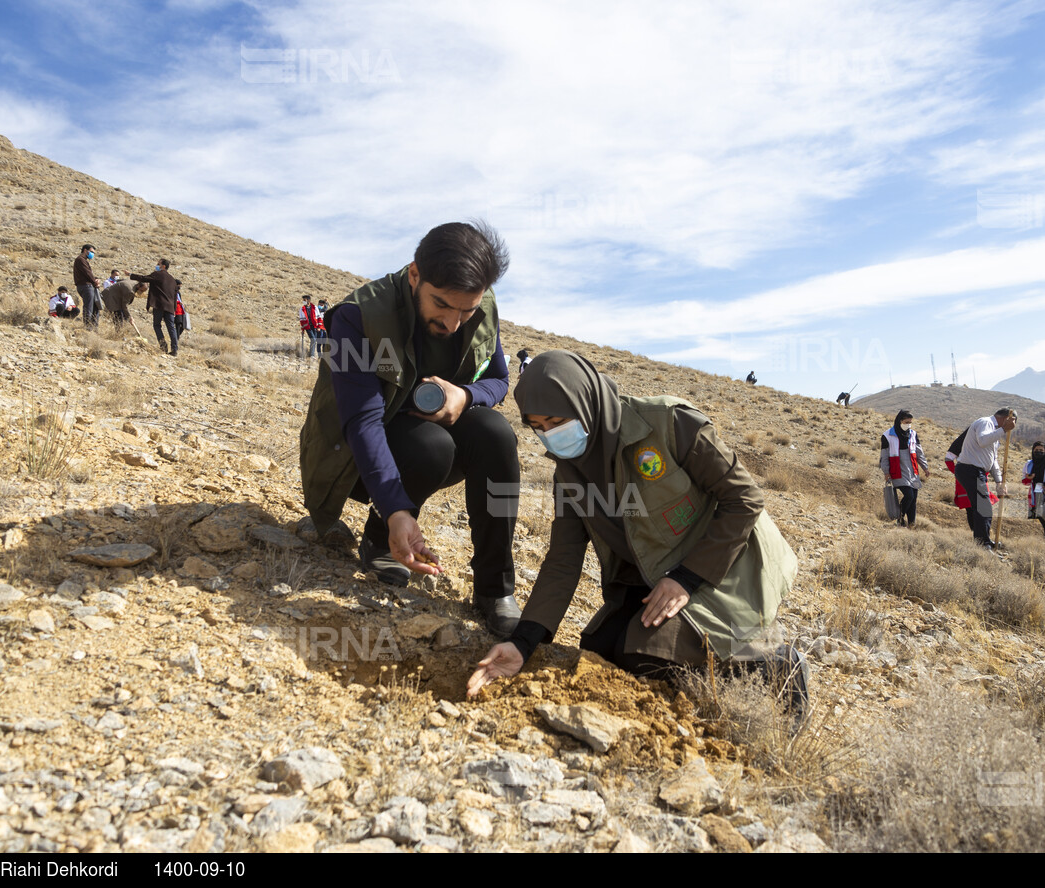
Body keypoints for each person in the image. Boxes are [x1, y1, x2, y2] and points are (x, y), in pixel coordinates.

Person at [467, 350, 804, 708]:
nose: (550, 435)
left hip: (724, 564)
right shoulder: (569, 474)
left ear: (586, 401)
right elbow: (564, 559)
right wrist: (523, 641)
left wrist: (687, 578)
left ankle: (775, 666)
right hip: (651, 574)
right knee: (602, 649)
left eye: (556, 420)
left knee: (645, 658)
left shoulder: (668, 423)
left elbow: (744, 499)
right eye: (538, 427)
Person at [299, 221, 521, 635]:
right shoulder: (357, 316)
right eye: (442, 306)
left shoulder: (480, 307)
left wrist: (465, 397)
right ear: (415, 274)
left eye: (466, 311)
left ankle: (495, 588)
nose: (454, 323)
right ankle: (381, 540)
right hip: (357, 455)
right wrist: (397, 511)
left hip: (436, 436)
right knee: (432, 446)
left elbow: (500, 380)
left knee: (496, 434)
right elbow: (361, 421)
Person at [953, 407, 1017, 549]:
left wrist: (999, 481)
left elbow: (992, 460)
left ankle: (983, 540)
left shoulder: (995, 434)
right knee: (984, 507)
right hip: (969, 469)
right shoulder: (985, 423)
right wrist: (1003, 430)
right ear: (1006, 418)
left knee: (983, 507)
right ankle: (983, 544)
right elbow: (982, 440)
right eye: (1011, 423)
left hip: (977, 471)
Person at [879, 409, 928, 527]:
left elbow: (919, 452)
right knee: (909, 495)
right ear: (900, 421)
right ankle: (899, 517)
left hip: (912, 470)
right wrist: (886, 472)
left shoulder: (913, 434)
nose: (908, 425)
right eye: (906, 422)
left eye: (910, 422)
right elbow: (884, 456)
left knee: (913, 499)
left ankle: (912, 524)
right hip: (897, 470)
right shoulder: (887, 435)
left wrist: (925, 467)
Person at [944, 426, 996, 534]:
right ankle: (977, 535)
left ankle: (984, 535)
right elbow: (948, 459)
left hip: (980, 478)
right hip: (964, 480)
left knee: (983, 506)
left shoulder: (984, 443)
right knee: (971, 508)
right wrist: (960, 473)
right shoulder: (961, 442)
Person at [129, 259, 181, 356]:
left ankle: (163, 347)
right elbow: (175, 296)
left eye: (158, 264)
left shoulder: (158, 274)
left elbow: (144, 278)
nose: (157, 265)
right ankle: (174, 350)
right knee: (171, 328)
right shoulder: (172, 280)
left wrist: (130, 275)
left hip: (159, 305)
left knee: (157, 325)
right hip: (169, 307)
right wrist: (173, 309)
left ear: (163, 266)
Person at [72, 244, 102, 329]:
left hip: (88, 286)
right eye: (91, 252)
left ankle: (94, 328)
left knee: (95, 307)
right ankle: (87, 327)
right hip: (85, 286)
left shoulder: (84, 261)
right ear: (85, 250)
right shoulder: (80, 260)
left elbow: (88, 274)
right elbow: (87, 273)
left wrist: (96, 279)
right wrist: (95, 282)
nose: (92, 254)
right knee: (88, 307)